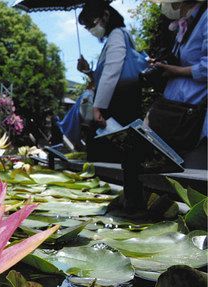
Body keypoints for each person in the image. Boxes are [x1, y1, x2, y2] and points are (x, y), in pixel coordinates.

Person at [145, 0, 206, 168]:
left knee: (193, 178)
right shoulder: (187, 23)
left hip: (194, 116)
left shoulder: (206, 18)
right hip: (174, 112)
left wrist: (175, 70)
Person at [77, 0, 144, 128]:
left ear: (106, 15)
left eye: (92, 23)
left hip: (119, 104)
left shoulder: (117, 34)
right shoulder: (115, 36)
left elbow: (112, 72)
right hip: (122, 100)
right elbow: (107, 74)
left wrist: (97, 107)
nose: (91, 29)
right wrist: (88, 71)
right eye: (87, 27)